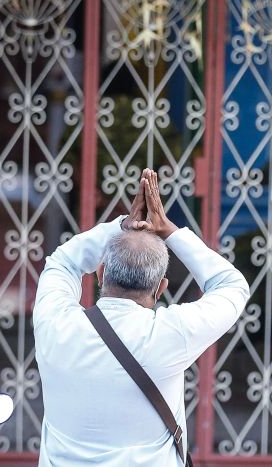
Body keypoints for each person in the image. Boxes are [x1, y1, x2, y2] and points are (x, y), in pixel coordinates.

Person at [33, 168, 250, 466]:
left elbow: (62, 262)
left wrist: (121, 226)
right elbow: (232, 285)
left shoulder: (56, 325)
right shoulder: (170, 335)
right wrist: (169, 231)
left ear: (99, 274)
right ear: (161, 289)